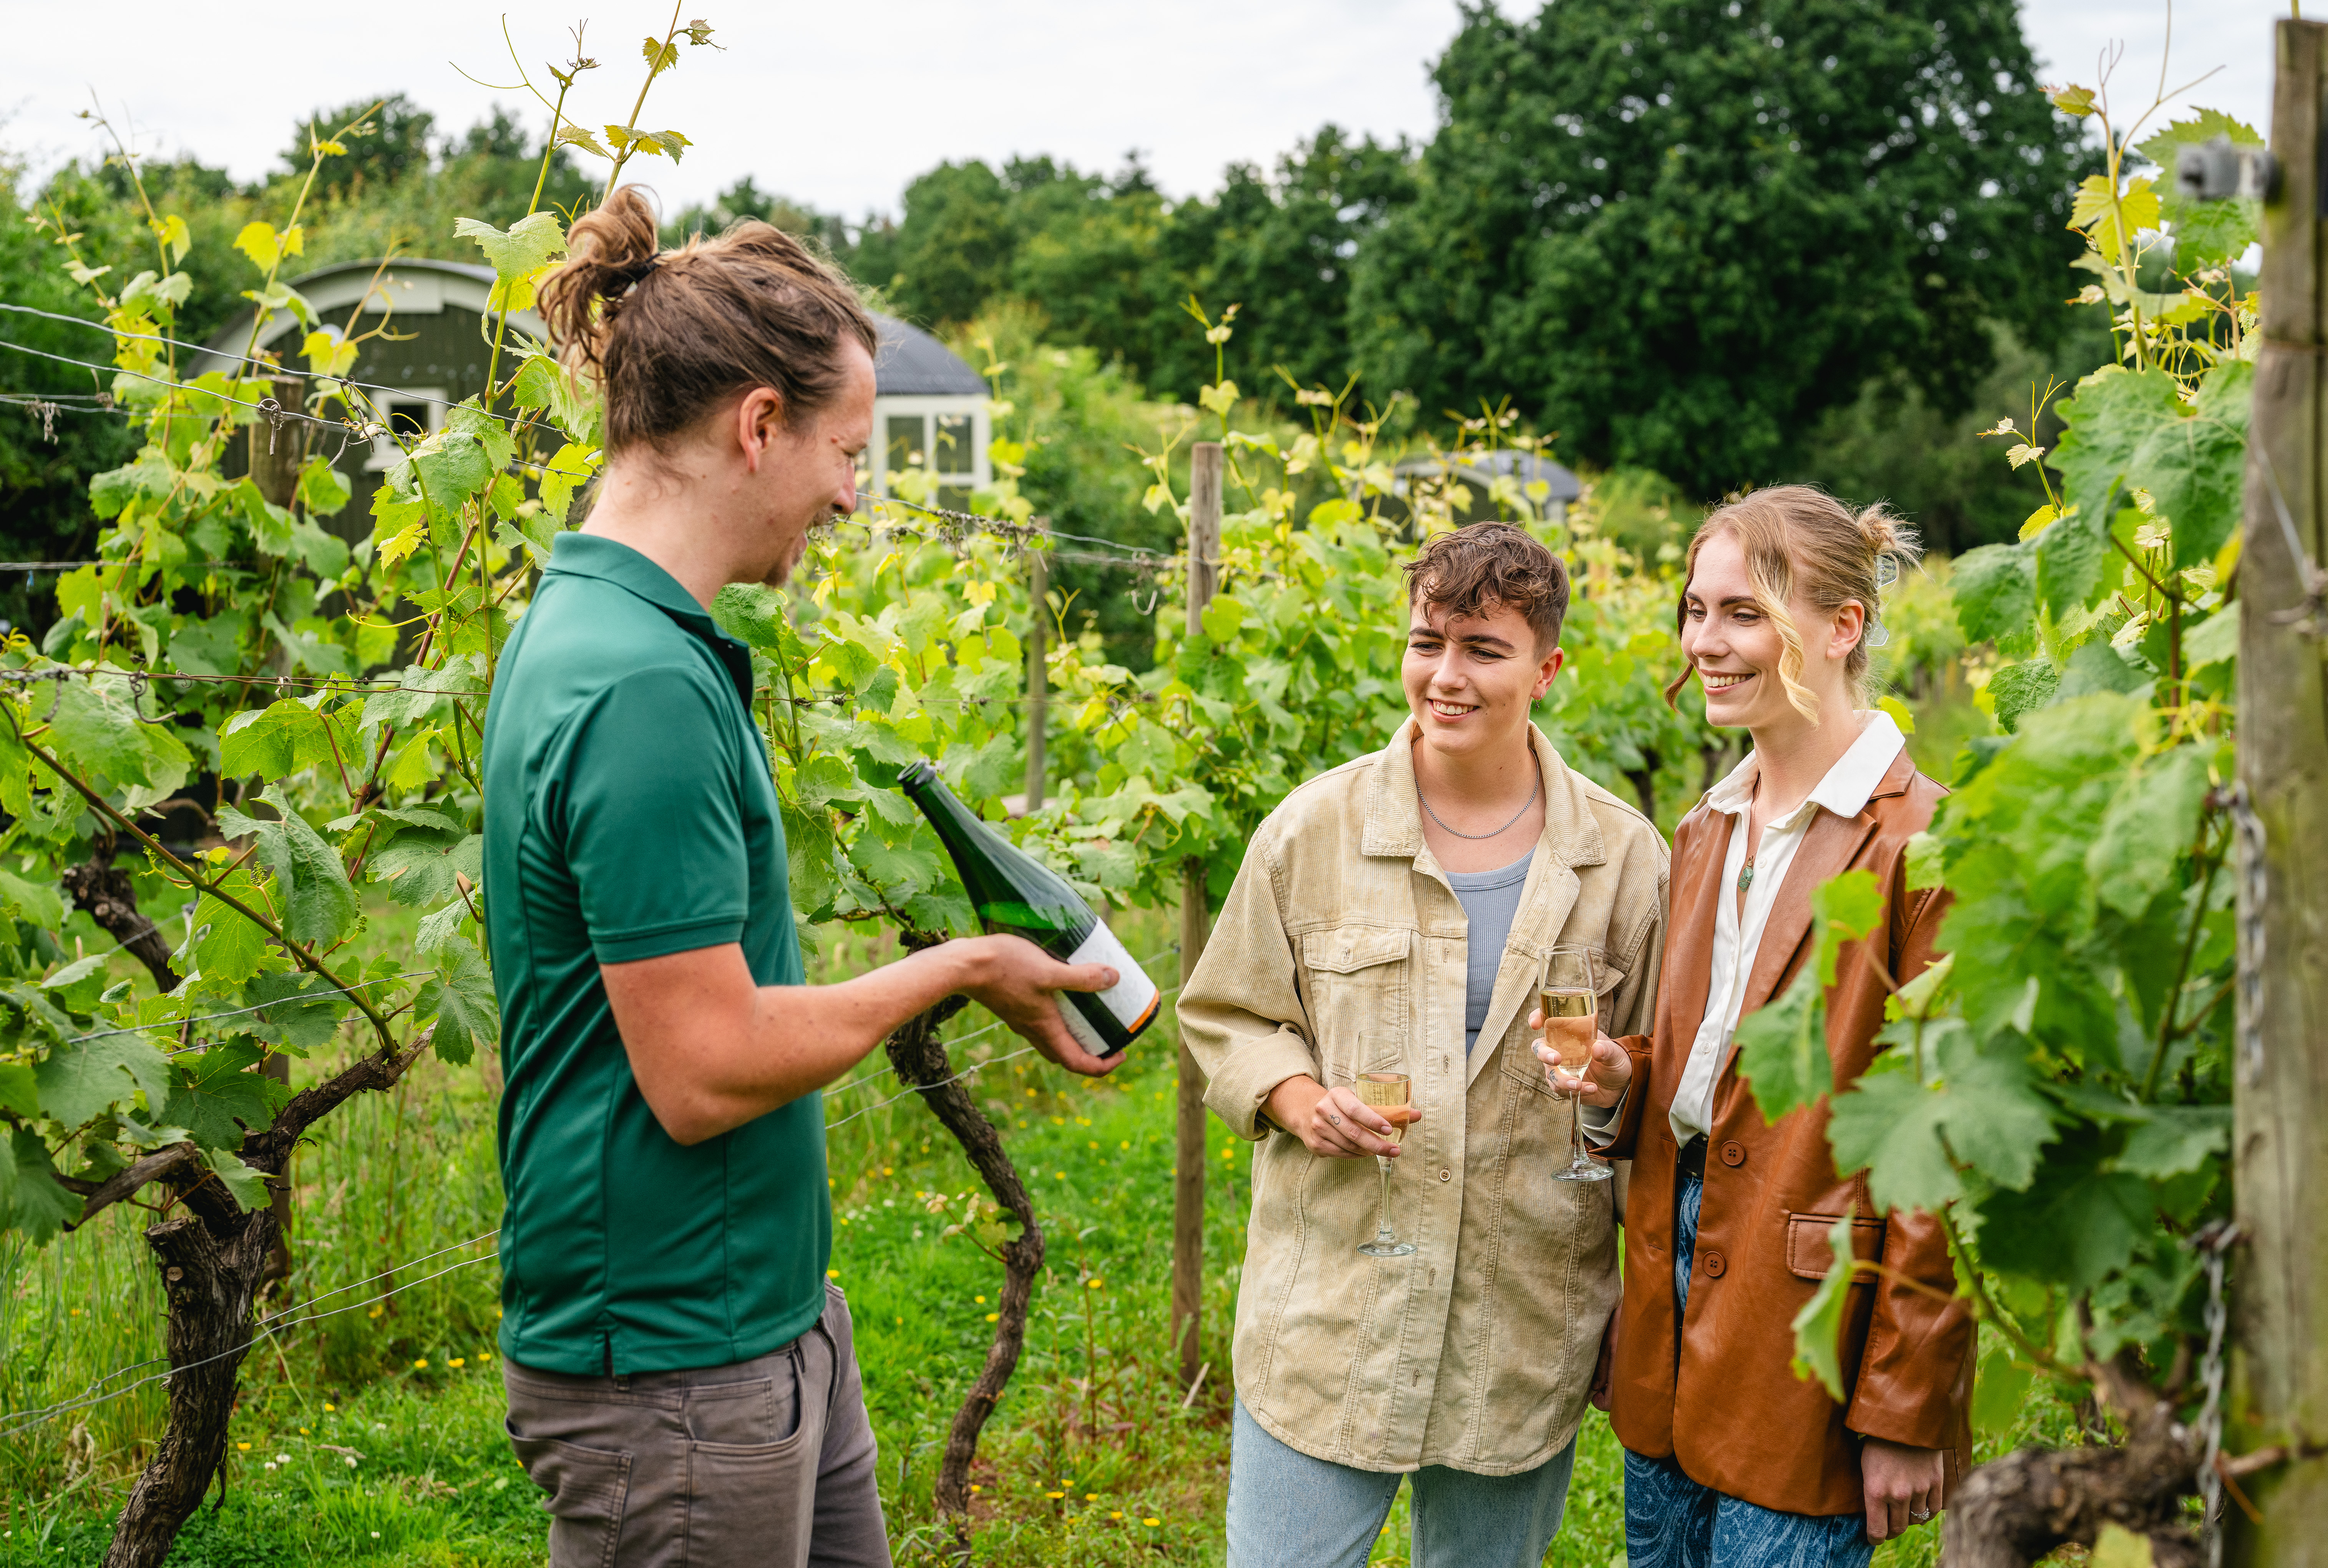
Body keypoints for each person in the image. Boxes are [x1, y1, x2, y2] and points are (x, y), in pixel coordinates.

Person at [481, 187, 1123, 1568]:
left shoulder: (614, 626)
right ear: (757, 424)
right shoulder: (636, 681)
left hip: (756, 1321)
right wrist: (959, 966)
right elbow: (702, 1067)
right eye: (844, 450)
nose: (850, 492)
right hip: (673, 1368)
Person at [1178, 521, 1670, 1568]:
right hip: (1330, 1316)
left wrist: (1621, 1091)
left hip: (1523, 1317)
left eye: (1482, 650)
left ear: (1547, 668)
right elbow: (1227, 1013)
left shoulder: (1626, 861)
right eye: (1424, 642)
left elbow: (1662, 1093)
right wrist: (1295, 1098)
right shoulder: (1311, 831)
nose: (1444, 676)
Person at [1552, 486, 1971, 1567]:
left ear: (1843, 626)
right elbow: (1708, 1069)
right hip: (1672, 1281)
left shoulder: (1922, 844)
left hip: (1815, 1325)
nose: (1704, 642)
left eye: (1743, 612)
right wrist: (1622, 1075)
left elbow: (1942, 1142)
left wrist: (1901, 1400)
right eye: (1695, 611)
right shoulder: (1702, 827)